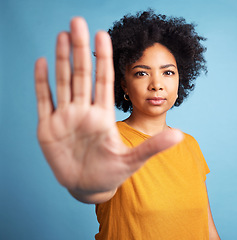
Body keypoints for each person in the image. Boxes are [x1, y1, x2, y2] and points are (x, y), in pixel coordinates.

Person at [34, 9, 220, 240]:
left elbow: (208, 229)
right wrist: (87, 185)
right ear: (123, 84)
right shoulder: (108, 141)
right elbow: (97, 188)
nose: (157, 85)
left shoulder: (190, 145)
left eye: (168, 72)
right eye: (142, 73)